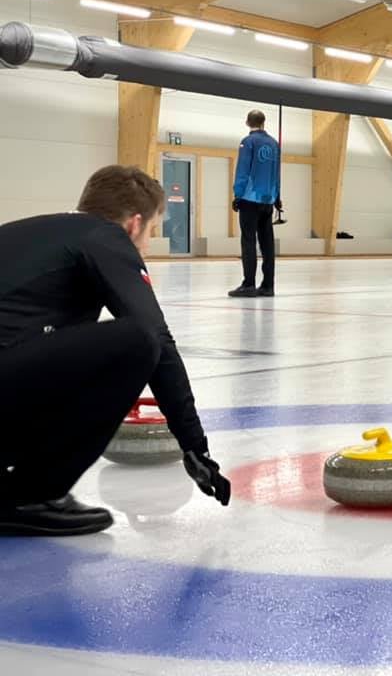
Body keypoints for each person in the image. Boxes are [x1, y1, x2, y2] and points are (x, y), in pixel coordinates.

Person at [0, 165, 231, 536]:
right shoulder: (104, 237)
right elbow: (157, 338)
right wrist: (194, 445)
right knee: (136, 342)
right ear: (133, 224)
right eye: (153, 230)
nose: (147, 244)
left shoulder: (35, 234)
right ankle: (31, 494)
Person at [230, 109, 281, 298]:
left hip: (250, 198)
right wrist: (277, 196)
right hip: (268, 198)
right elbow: (277, 172)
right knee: (267, 243)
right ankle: (268, 286)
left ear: (247, 122)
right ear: (264, 122)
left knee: (249, 241)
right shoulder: (275, 144)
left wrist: (238, 194)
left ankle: (249, 284)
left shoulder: (248, 142)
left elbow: (243, 170)